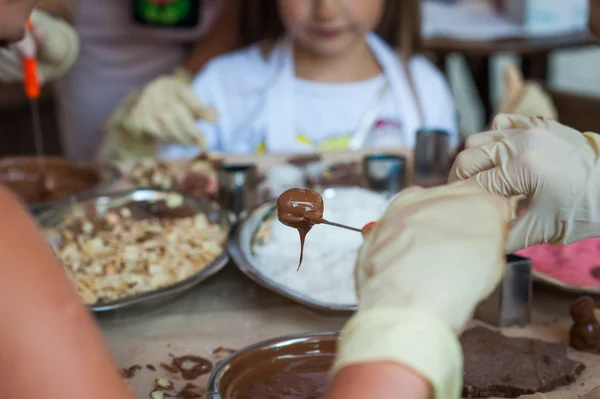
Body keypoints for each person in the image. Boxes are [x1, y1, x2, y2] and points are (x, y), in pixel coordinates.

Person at [101, 0, 458, 160]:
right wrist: (135, 142)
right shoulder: (223, 86)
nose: (326, 9)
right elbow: (162, 193)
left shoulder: (426, 90)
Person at [55, 0, 240, 161]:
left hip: (205, 38)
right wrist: (56, 27)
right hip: (105, 44)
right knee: (104, 163)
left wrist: (185, 78)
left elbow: (235, 16)